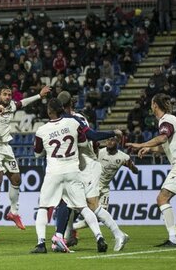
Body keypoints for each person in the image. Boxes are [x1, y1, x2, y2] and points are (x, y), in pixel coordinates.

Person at [31, 99, 108, 254]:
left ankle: (41, 244)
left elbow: (37, 153)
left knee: (44, 207)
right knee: (83, 207)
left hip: (54, 171)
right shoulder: (73, 123)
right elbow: (83, 143)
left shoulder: (42, 130)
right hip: (72, 170)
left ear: (50, 111)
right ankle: (99, 237)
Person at [55, 91, 128, 253]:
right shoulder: (65, 120)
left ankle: (118, 234)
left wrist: (112, 132)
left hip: (87, 166)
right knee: (69, 203)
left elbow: (93, 136)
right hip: (77, 166)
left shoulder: (77, 119)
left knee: (91, 205)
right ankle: (67, 238)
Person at [127, 93, 176, 247]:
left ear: (155, 105)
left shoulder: (166, 120)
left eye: (152, 104)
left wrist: (141, 145)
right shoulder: (172, 119)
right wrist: (149, 149)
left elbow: (162, 138)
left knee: (162, 199)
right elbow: (164, 146)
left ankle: (173, 239)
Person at [0, 85, 50, 233]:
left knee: (16, 179)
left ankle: (13, 213)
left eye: (9, 94)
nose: (7, 97)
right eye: (5, 94)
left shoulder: (11, 106)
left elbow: (23, 102)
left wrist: (39, 95)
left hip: (6, 146)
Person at [98, 137, 138, 211]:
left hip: (105, 188)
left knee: (102, 213)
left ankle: (79, 223)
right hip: (94, 186)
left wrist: (131, 166)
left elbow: (136, 171)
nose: (109, 142)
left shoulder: (123, 157)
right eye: (107, 140)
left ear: (117, 142)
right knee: (87, 210)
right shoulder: (100, 152)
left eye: (112, 140)